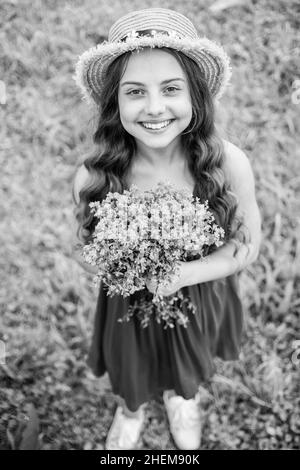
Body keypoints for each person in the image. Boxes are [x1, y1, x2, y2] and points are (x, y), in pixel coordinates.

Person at [71, 7, 262, 450]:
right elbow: (82, 247)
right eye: (134, 91)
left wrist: (184, 275)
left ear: (195, 95)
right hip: (128, 302)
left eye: (171, 89)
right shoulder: (95, 176)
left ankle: (181, 398)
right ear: (113, 104)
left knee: (190, 361)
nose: (154, 108)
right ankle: (132, 407)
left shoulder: (227, 165)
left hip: (199, 292)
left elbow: (246, 245)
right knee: (129, 362)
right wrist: (119, 266)